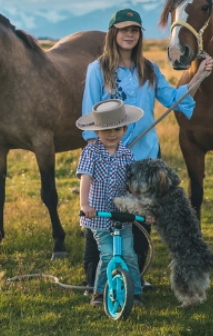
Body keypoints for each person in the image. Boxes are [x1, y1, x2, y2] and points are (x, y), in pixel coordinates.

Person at [80, 8, 213, 294]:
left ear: (140, 35)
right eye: (124, 29)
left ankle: (135, 275)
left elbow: (173, 99)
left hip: (145, 161)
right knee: (103, 213)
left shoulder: (149, 69)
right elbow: (90, 117)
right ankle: (95, 278)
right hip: (109, 159)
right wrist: (99, 157)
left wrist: (198, 76)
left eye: (135, 30)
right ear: (113, 33)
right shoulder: (97, 70)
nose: (129, 34)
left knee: (141, 220)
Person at [76, 99, 153, 307]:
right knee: (109, 254)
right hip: (99, 217)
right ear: (97, 132)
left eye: (117, 129)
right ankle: (99, 293)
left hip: (122, 217)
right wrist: (85, 206)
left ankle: (135, 293)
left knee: (128, 254)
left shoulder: (127, 155)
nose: (112, 134)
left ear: (124, 129)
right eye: (106, 130)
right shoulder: (91, 152)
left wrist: (143, 209)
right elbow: (85, 178)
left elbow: (133, 187)